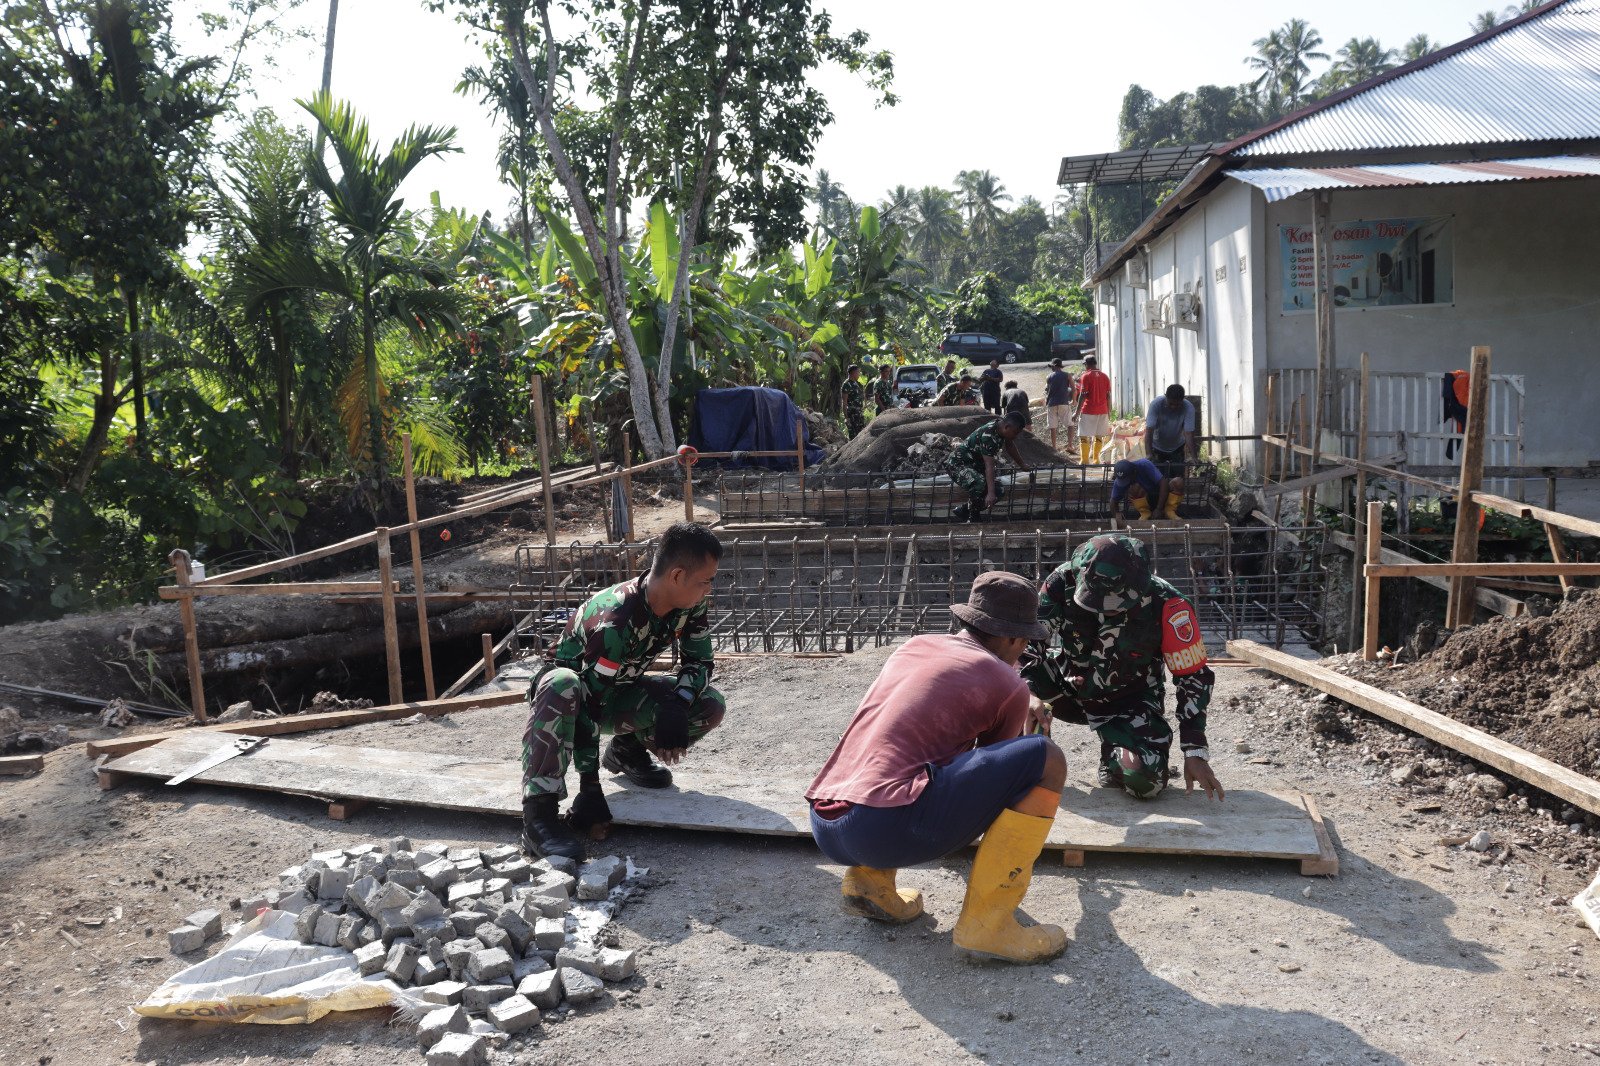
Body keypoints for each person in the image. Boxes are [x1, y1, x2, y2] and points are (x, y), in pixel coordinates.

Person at [807, 571, 1069, 964]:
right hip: (883, 828)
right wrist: (1025, 728)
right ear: (1015, 638)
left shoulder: (914, 647)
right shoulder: (1009, 683)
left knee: (905, 757)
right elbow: (998, 790)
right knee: (1046, 757)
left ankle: (868, 881)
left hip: (827, 823)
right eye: (1025, 643)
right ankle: (989, 926)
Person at [521, 523, 728, 860]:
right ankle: (538, 817)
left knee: (709, 704)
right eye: (705, 581)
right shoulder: (615, 620)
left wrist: (678, 703)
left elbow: (700, 661)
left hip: (616, 690)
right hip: (569, 704)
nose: (709, 589)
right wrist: (590, 787)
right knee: (562, 683)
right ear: (677, 576)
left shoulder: (689, 603)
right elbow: (589, 705)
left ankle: (626, 751)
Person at [1023, 534, 1221, 802]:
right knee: (1018, 686)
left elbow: (1192, 676)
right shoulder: (1061, 582)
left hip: (1128, 699)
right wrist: (1026, 694)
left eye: (1116, 602)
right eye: (1095, 598)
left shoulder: (1169, 604)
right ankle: (1030, 753)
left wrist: (1195, 751)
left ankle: (1114, 756)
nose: (1105, 608)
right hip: (1066, 686)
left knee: (1146, 782)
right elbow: (1024, 643)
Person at [947, 411, 1030, 522]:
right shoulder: (989, 436)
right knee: (979, 483)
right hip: (958, 465)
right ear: (1007, 427)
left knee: (999, 490)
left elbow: (1010, 446)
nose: (1016, 436)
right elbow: (989, 466)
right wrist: (990, 493)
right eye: (1015, 433)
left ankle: (964, 510)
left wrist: (1022, 464)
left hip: (973, 466)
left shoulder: (1001, 427)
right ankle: (973, 517)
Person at [1109, 457, 1180, 521]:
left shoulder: (1144, 464)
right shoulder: (1120, 479)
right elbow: (1113, 500)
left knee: (1178, 482)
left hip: (1162, 495)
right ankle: (1145, 514)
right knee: (1134, 487)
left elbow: (1163, 483)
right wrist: (1117, 515)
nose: (1126, 482)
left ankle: (1169, 511)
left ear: (1134, 472)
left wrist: (1159, 508)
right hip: (1146, 500)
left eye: (1127, 479)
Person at [1145, 384, 1196, 472]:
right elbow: (1149, 431)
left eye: (1177, 404)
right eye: (1171, 403)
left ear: (1183, 399)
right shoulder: (1156, 404)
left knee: (1178, 477)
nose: (1173, 407)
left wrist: (1194, 456)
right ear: (1166, 397)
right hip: (1157, 447)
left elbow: (1189, 434)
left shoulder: (1188, 407)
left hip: (1177, 448)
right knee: (1158, 477)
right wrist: (1149, 454)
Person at [1075, 354, 1112, 465]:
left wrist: (1076, 412)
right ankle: (1096, 460)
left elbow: (1083, 395)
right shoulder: (1105, 376)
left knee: (1083, 435)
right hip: (1103, 411)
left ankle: (1084, 460)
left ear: (1087, 364)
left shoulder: (1086, 376)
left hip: (1088, 410)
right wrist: (1109, 411)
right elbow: (1108, 396)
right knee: (1099, 435)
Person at [1044, 358, 1076, 454]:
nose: (1051, 368)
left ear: (1054, 366)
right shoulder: (1067, 375)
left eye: (1052, 367)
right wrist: (1074, 400)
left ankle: (1054, 447)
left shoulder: (1048, 377)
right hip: (1063, 403)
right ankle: (1070, 445)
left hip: (1051, 404)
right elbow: (1074, 389)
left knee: (1052, 427)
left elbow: (1047, 391)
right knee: (1070, 425)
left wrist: (1046, 402)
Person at [841, 365, 866, 439]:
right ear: (853, 373)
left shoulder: (855, 383)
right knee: (854, 436)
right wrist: (846, 418)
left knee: (862, 434)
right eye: (858, 372)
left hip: (859, 413)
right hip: (852, 414)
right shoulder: (846, 384)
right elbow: (844, 402)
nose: (859, 374)